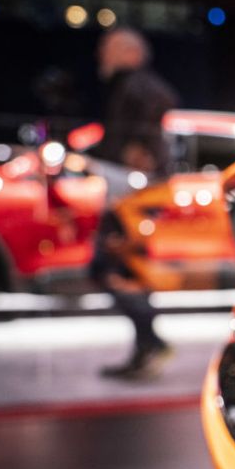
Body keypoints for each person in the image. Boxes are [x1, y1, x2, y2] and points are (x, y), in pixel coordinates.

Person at [89, 28, 179, 379]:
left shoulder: (136, 84)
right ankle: (147, 344)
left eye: (108, 48)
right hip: (129, 193)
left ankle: (151, 343)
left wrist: (137, 150)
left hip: (130, 196)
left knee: (111, 268)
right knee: (122, 270)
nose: (102, 57)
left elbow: (161, 100)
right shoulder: (130, 86)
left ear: (130, 53)